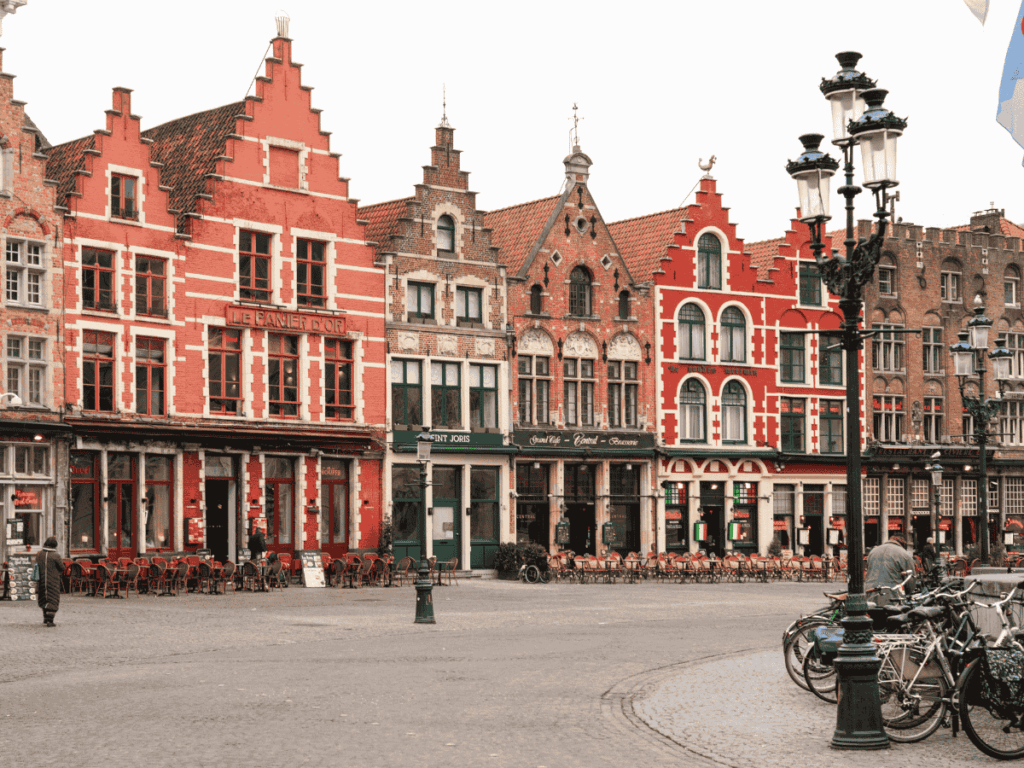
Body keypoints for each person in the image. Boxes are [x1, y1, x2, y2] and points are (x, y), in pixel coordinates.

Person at [865, 534, 915, 603]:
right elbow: (910, 582)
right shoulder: (904, 554)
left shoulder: (873, 552)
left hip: (870, 594)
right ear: (903, 542)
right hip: (892, 597)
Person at [34, 536, 63, 627]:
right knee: (53, 599)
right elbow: (61, 568)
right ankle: (50, 620)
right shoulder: (56, 555)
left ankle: (45, 618)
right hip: (53, 580)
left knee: (43, 598)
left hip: (42, 580)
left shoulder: (39, 554)